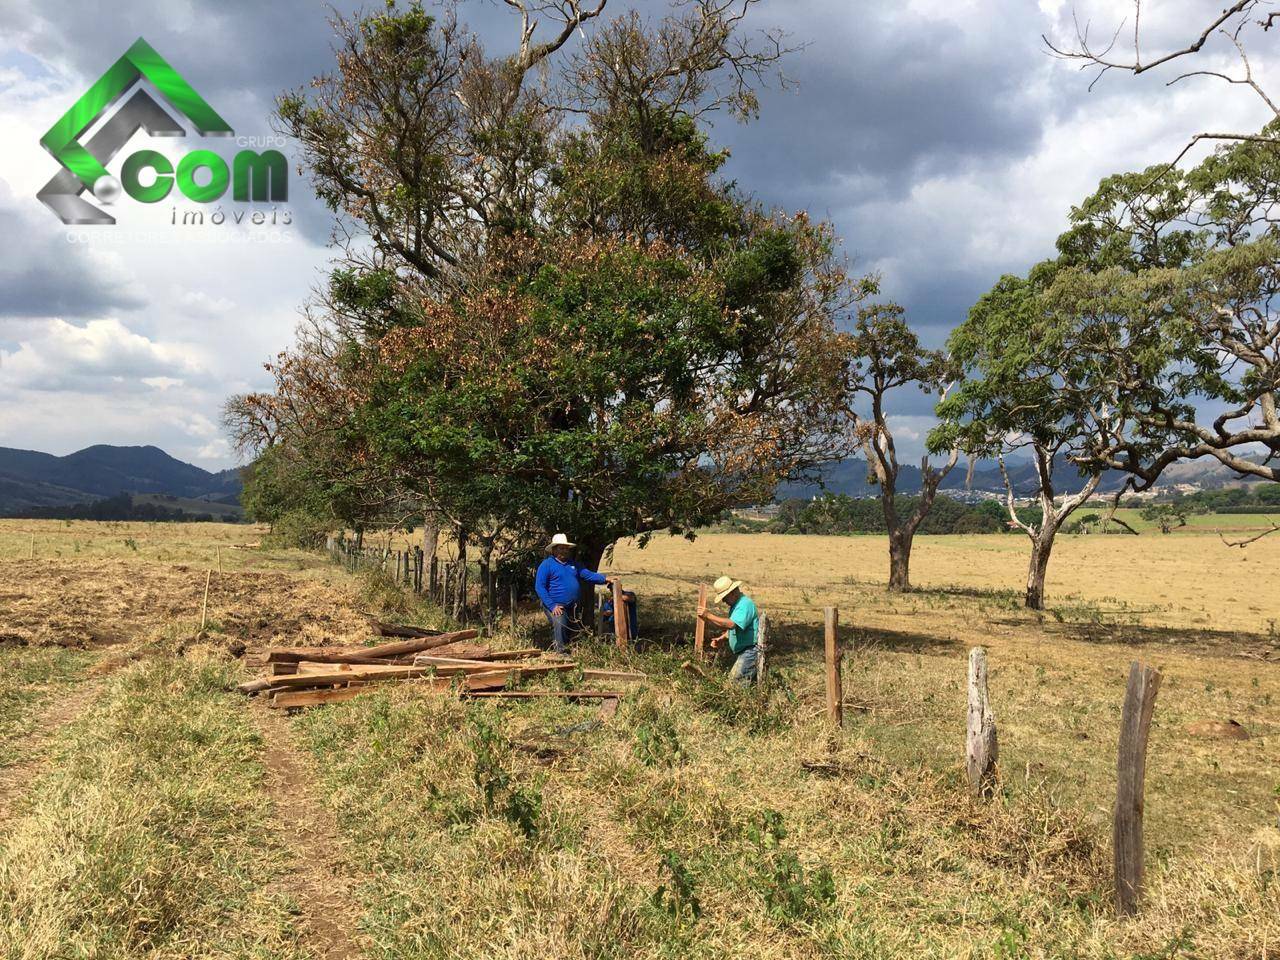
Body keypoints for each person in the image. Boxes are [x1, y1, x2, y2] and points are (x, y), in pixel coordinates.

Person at [534, 533, 615, 654]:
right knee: (560, 623)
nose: (564, 551)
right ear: (554, 550)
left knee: (568, 629)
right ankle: (560, 653)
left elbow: (587, 574)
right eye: (561, 548)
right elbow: (539, 587)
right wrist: (552, 605)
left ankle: (564, 652)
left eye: (566, 548)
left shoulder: (573, 564)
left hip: (572, 606)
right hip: (555, 605)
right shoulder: (547, 565)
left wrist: (605, 579)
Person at [698, 575, 759, 685]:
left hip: (750, 651)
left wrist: (708, 615)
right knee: (740, 684)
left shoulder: (744, 605)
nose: (724, 601)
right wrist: (723, 638)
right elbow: (737, 628)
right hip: (745, 652)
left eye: (725, 598)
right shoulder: (737, 606)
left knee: (735, 684)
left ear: (733, 593)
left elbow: (731, 624)